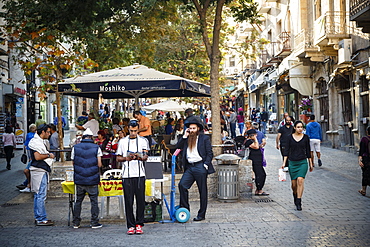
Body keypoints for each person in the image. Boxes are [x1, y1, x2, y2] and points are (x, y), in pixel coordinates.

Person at [176, 116, 214, 221]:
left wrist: (205, 165)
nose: (192, 130)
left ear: (198, 129)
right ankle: (185, 210)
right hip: (190, 167)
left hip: (200, 166)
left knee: (202, 191)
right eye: (190, 128)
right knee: (182, 185)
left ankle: (201, 214)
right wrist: (184, 136)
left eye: (194, 128)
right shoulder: (186, 138)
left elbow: (210, 153)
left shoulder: (204, 138)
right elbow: (178, 147)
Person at [116, 119, 149, 235]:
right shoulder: (122, 142)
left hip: (140, 174)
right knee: (128, 201)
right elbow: (118, 158)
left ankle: (139, 224)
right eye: (131, 131)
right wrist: (126, 158)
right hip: (127, 175)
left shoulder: (143, 141)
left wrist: (139, 157)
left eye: (135, 131)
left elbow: (146, 156)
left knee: (140, 201)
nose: (133, 133)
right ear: (128, 129)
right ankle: (130, 225)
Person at [72, 128, 103, 229]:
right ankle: (94, 222)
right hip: (92, 179)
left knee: (78, 201)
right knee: (94, 201)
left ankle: (76, 222)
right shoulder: (96, 147)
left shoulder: (75, 147)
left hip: (80, 179)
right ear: (91, 137)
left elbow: (73, 163)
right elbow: (99, 164)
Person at [281, 120, 313, 211]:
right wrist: (284, 163)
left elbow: (308, 151)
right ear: (294, 128)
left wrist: (310, 163)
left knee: (300, 180)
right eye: (298, 127)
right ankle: (295, 195)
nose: (300, 129)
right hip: (292, 163)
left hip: (302, 162)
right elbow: (286, 151)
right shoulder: (289, 137)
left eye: (301, 127)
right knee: (294, 185)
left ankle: (299, 201)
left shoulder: (306, 137)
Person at [28, 124, 55, 226]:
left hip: (41, 170)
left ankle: (39, 216)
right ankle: (41, 218)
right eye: (48, 132)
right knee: (40, 195)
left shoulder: (39, 141)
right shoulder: (35, 142)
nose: (49, 134)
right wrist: (48, 155)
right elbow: (37, 157)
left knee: (39, 195)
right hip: (39, 170)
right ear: (42, 132)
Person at [245, 129, 269, 196]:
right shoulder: (248, 141)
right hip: (255, 160)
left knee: (261, 174)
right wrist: (255, 139)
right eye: (255, 135)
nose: (256, 135)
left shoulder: (252, 141)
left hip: (258, 160)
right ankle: (259, 189)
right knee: (260, 175)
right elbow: (256, 147)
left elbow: (258, 146)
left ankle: (259, 189)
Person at [17, 124, 37, 192]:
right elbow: (26, 142)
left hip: (31, 150)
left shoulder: (34, 134)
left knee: (29, 168)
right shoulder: (30, 134)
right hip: (29, 149)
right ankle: (28, 184)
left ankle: (28, 184)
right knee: (29, 164)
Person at [358, 126, 370, 196]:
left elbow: (361, 152)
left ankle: (363, 190)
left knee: (365, 174)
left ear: (367, 132)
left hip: (366, 159)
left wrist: (360, 161)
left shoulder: (364, 139)